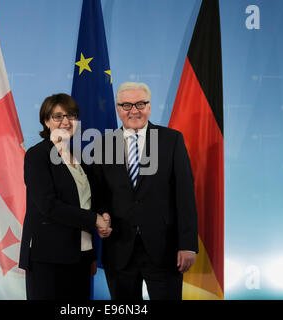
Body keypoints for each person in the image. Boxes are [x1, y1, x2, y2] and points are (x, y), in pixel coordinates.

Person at [92, 82, 199, 300]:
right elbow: (98, 194)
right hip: (119, 250)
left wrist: (188, 245)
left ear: (149, 107)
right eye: (127, 105)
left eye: (140, 104)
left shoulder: (171, 140)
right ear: (118, 109)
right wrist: (101, 215)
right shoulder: (103, 145)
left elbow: (185, 196)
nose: (134, 110)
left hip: (164, 251)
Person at [18, 93, 111, 300]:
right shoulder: (37, 155)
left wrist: (102, 216)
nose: (65, 121)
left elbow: (89, 201)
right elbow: (48, 206)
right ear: (46, 121)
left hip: (81, 255)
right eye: (58, 116)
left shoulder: (80, 157)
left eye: (71, 115)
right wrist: (94, 219)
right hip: (48, 258)